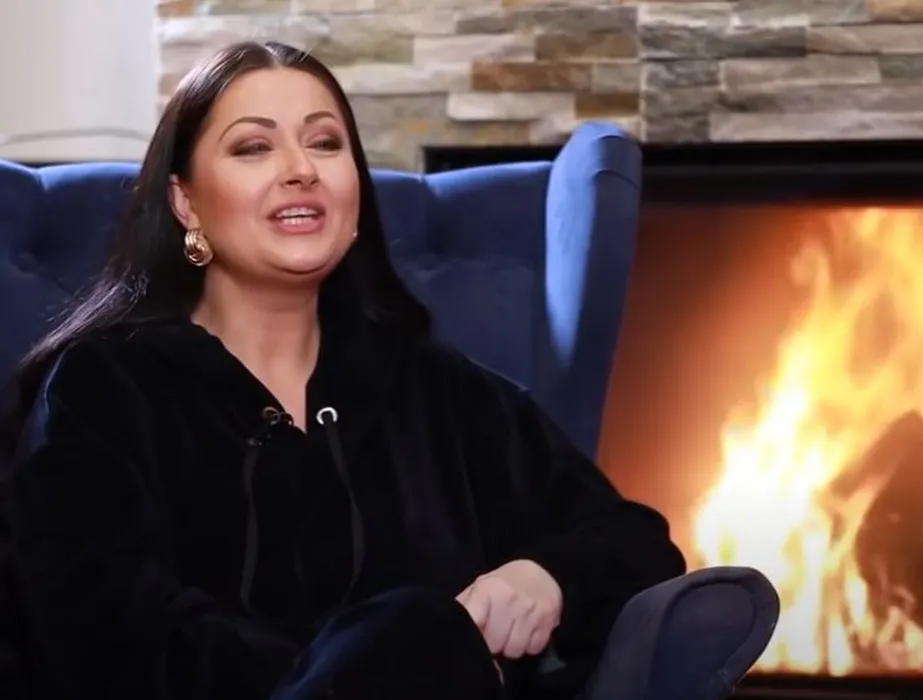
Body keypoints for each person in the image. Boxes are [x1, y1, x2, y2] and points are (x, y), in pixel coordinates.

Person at [0, 41, 693, 700]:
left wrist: (545, 576)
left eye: (325, 143)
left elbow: (634, 540)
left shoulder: (436, 389)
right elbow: (100, 636)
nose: (300, 168)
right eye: (253, 147)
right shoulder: (102, 387)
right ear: (186, 202)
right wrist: (391, 661)